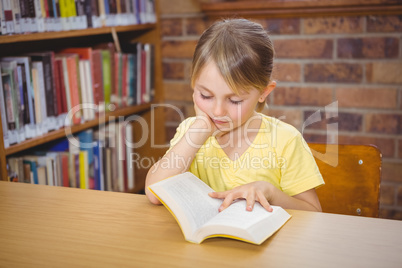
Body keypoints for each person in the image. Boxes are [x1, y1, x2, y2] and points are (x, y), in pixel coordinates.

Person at [145, 18, 324, 212]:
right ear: (193, 84)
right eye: (206, 95)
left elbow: (313, 213)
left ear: (264, 92)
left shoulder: (285, 140)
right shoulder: (190, 131)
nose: (218, 111)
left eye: (235, 101)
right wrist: (199, 131)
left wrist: (272, 193)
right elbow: (155, 194)